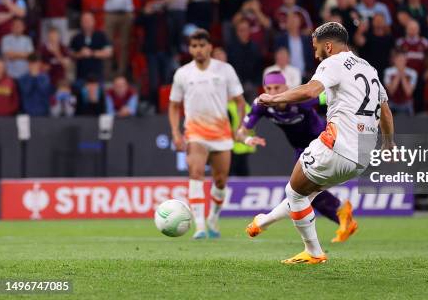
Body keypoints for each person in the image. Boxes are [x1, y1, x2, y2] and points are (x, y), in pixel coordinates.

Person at [248, 22, 394, 264]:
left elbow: (310, 91)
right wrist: (389, 145)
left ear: (328, 46)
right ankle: (262, 221)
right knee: (303, 195)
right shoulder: (370, 69)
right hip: (362, 157)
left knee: (293, 192)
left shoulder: (333, 62)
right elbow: (386, 113)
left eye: (316, 49)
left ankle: (313, 252)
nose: (315, 55)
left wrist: (274, 99)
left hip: (337, 145)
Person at [240, 70, 358, 244]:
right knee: (305, 194)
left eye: (277, 87)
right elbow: (240, 133)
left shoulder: (301, 99)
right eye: (269, 88)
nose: (273, 92)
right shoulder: (261, 105)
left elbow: (330, 96)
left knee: (299, 192)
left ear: (286, 87)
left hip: (322, 144)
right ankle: (343, 214)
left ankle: (269, 224)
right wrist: (248, 139)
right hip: (301, 150)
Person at [169, 29, 246, 239]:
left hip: (221, 134)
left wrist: (240, 127)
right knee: (195, 174)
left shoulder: (225, 70)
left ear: (210, 47)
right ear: (190, 48)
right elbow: (174, 105)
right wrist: (176, 133)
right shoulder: (183, 73)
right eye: (194, 46)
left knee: (220, 181)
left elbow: (240, 101)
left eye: (202, 45)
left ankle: (212, 217)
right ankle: (200, 226)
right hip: (195, 133)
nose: (198, 50)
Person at [101, 0, 138, 77]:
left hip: (126, 14)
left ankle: (121, 72)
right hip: (110, 14)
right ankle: (107, 71)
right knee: (107, 43)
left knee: (124, 44)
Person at [69, 12, 112, 82]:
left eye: (89, 20)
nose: (87, 23)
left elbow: (109, 53)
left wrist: (92, 53)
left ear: (93, 21)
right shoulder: (76, 38)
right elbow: (70, 54)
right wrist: (80, 54)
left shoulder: (101, 36)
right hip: (81, 76)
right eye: (84, 21)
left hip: (97, 76)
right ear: (81, 23)